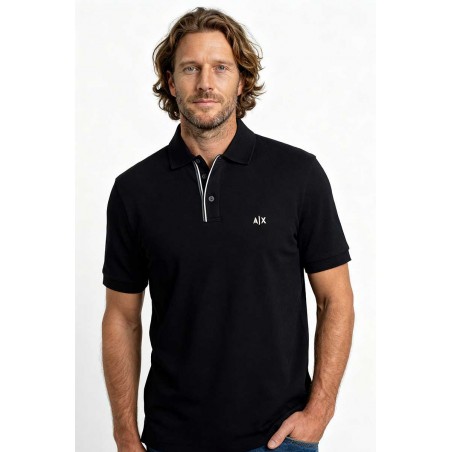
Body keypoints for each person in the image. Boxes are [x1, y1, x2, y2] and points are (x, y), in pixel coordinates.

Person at [101, 7, 354, 452]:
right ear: (171, 81)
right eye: (190, 68)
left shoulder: (297, 175)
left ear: (241, 80)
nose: (205, 83)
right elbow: (121, 317)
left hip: (278, 441)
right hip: (170, 440)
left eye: (220, 67)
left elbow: (336, 299)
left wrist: (320, 412)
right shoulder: (134, 190)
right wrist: (124, 432)